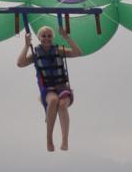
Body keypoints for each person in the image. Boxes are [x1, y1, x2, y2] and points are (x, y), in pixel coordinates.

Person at [16, 23, 83, 152]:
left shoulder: (59, 50)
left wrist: (66, 37)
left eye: (49, 36)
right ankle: (49, 139)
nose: (46, 38)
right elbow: (20, 63)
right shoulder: (36, 54)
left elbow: (78, 53)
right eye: (43, 36)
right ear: (39, 37)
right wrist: (26, 45)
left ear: (53, 37)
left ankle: (64, 140)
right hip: (48, 90)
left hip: (62, 87)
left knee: (62, 105)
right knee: (53, 101)